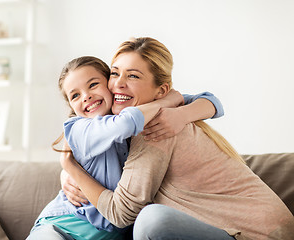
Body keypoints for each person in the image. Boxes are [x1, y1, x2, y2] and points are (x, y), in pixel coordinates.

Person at [60, 37, 294, 240]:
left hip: (258, 233)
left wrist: (71, 167)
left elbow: (120, 214)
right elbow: (201, 100)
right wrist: (66, 176)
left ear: (160, 91)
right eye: (114, 73)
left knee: (151, 220)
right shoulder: (140, 119)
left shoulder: (157, 128)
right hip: (232, 229)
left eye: (132, 76)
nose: (119, 83)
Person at [27, 55, 225, 240]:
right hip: (62, 227)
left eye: (93, 85)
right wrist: (167, 102)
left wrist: (182, 113)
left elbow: (212, 102)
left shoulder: (132, 118)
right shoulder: (80, 128)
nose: (86, 97)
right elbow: (125, 124)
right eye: (75, 96)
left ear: (111, 86)